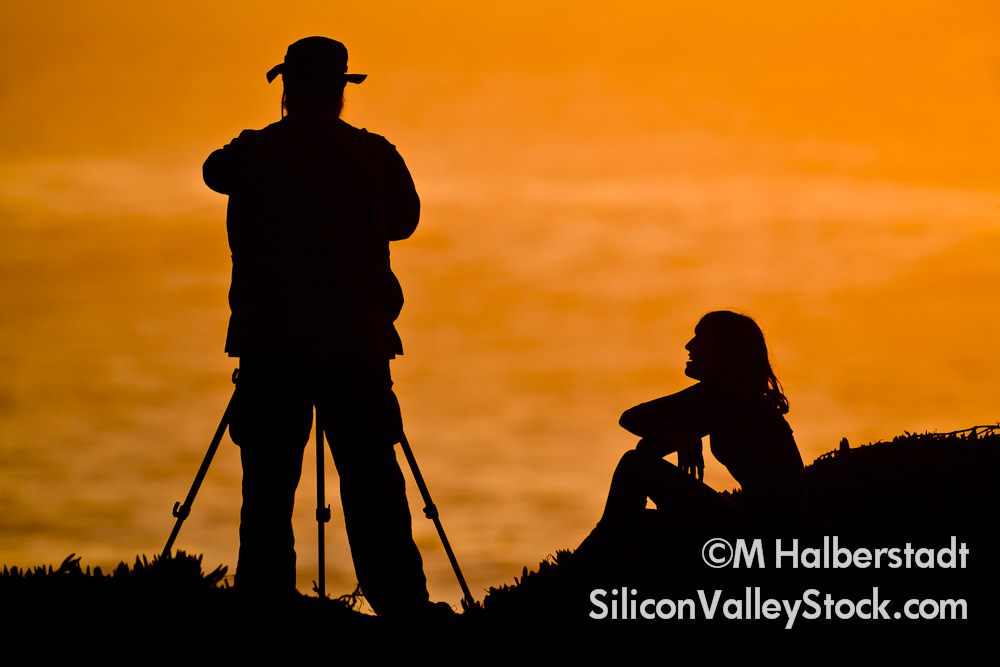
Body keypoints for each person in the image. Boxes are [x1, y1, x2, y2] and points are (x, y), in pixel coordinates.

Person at [202, 36, 433, 615]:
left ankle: (264, 604)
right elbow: (405, 221)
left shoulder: (253, 151)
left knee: (268, 486)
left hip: (270, 343)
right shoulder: (375, 154)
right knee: (373, 480)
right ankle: (401, 606)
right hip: (355, 343)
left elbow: (213, 172)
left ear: (286, 87)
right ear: (342, 90)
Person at [590, 311, 807, 543]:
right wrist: (674, 437)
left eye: (700, 338)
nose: (689, 345)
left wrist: (671, 438)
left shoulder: (724, 393)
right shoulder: (734, 398)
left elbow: (632, 420)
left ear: (724, 350)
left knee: (630, 481)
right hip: (763, 536)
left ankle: (578, 574)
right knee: (629, 519)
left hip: (760, 541)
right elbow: (646, 446)